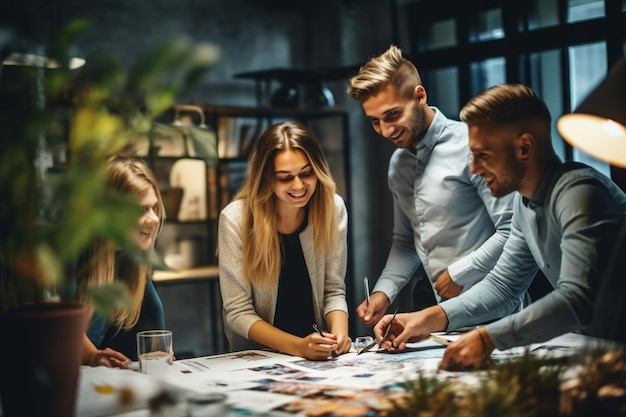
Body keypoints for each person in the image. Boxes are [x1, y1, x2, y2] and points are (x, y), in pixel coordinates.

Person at [374, 83, 626, 369]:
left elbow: (577, 299)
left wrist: (487, 338)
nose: (474, 169)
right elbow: (503, 287)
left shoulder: (579, 192)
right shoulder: (524, 204)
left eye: (483, 155)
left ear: (524, 147)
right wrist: (426, 318)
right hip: (601, 352)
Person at [347, 45, 517, 327]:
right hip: (432, 313)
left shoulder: (472, 146)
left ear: (420, 96)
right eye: (374, 121)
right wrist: (383, 292)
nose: (386, 131)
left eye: (392, 115)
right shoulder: (398, 165)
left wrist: (460, 272)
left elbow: (514, 229)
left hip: (495, 313)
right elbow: (406, 242)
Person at [218, 121, 351, 360]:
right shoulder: (235, 219)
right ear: (266, 178)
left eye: (306, 173)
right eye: (285, 177)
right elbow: (238, 312)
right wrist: (298, 347)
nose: (298, 185)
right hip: (257, 358)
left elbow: (333, 289)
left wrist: (340, 335)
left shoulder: (332, 208)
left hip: (317, 355)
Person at [74, 155, 168, 367]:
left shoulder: (132, 260)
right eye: (141, 209)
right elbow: (57, 328)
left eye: (154, 208)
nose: (153, 219)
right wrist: (91, 355)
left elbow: (155, 335)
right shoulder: (71, 256)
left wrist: (159, 352)